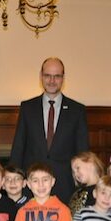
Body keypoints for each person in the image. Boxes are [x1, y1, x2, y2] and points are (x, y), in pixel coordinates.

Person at [9, 57, 89, 204]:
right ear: (41, 76)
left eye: (57, 76)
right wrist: (13, 180)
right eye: (47, 75)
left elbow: (83, 152)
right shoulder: (27, 108)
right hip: (32, 185)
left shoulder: (77, 110)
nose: (52, 80)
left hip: (65, 185)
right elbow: (18, 147)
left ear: (63, 78)